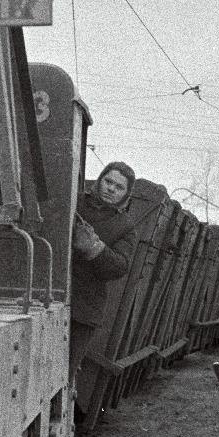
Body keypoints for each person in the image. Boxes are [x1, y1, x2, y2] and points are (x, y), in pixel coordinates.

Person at [69, 161, 138, 396]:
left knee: (65, 374)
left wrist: (95, 248)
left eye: (118, 187)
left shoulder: (125, 226)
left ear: (126, 194)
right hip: (53, 294)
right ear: (99, 180)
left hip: (84, 308)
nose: (111, 189)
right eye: (108, 181)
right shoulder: (74, 201)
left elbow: (120, 266)